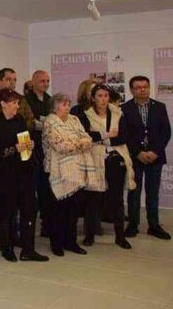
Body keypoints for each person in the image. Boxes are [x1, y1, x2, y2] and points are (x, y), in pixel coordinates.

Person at [0, 89, 48, 262]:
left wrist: (29, 145)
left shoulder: (19, 120)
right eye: (13, 103)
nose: (17, 106)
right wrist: (14, 149)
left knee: (29, 210)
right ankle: (7, 248)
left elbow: (24, 139)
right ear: (3, 104)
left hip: (23, 172)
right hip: (3, 176)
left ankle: (28, 249)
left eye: (18, 103)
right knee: (7, 213)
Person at [79, 84, 135, 249]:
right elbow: (86, 136)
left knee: (117, 199)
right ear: (93, 98)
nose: (103, 99)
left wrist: (103, 139)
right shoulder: (86, 115)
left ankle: (120, 237)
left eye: (106, 96)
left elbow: (123, 136)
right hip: (94, 159)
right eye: (99, 96)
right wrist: (107, 136)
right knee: (93, 198)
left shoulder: (118, 113)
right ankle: (89, 235)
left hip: (115, 159)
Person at [122, 76, 172, 240]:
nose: (142, 90)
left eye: (145, 86)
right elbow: (124, 134)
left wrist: (155, 152)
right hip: (134, 157)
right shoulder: (125, 108)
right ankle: (133, 225)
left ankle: (154, 226)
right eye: (138, 87)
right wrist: (138, 153)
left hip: (155, 157)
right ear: (132, 90)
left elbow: (166, 132)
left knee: (153, 193)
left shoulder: (159, 107)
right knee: (133, 192)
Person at [42, 93, 91, 257]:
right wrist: (79, 144)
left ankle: (71, 241)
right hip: (57, 172)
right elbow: (60, 146)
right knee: (58, 210)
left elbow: (87, 139)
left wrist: (76, 143)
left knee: (74, 209)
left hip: (76, 170)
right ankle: (57, 243)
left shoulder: (74, 120)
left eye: (68, 104)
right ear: (54, 107)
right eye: (64, 104)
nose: (68, 107)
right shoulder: (49, 122)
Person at [24, 70, 52, 237]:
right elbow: (28, 124)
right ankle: (27, 227)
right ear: (33, 82)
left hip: (47, 150)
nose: (45, 84)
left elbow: (54, 122)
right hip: (30, 150)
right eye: (42, 81)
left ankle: (46, 225)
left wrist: (43, 122)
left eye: (47, 81)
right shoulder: (25, 101)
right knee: (30, 190)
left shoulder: (50, 100)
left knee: (46, 190)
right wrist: (44, 123)